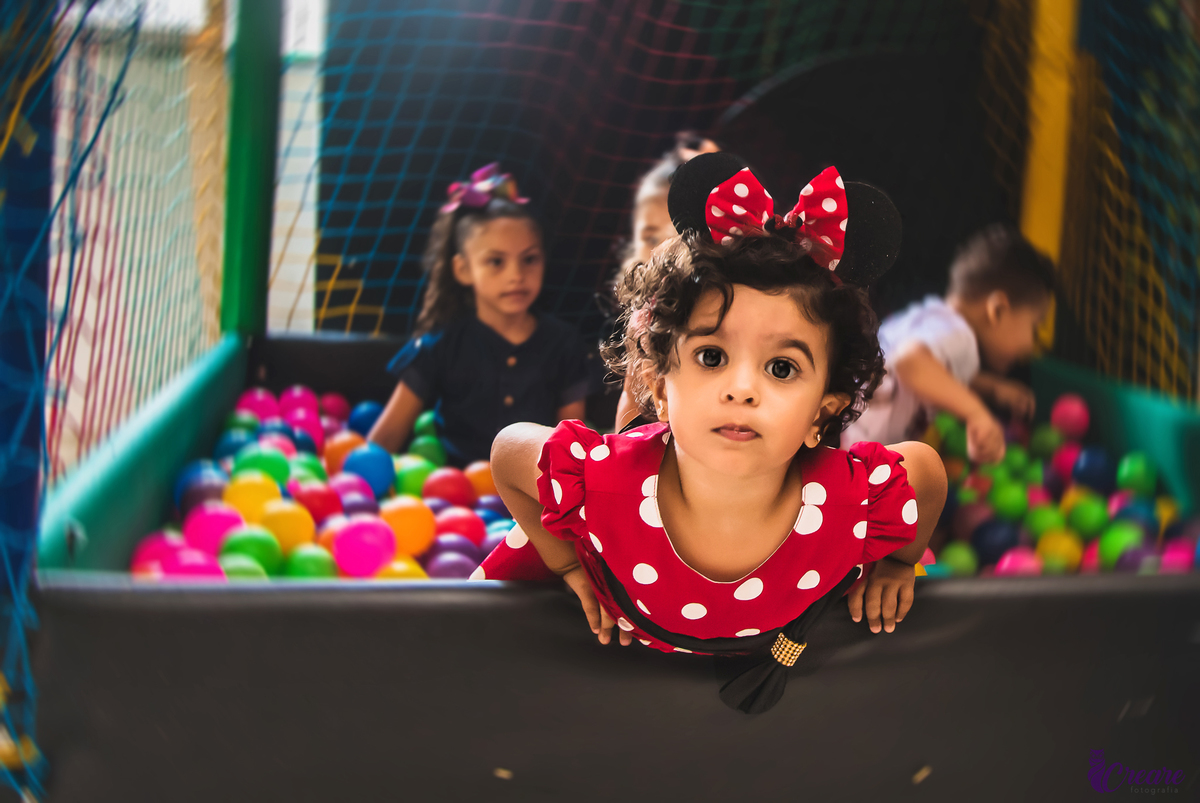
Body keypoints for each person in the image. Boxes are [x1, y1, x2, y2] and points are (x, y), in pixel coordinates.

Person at [478, 153, 947, 714]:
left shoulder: (847, 501)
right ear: (658, 385)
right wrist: (569, 566)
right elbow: (508, 451)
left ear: (824, 412)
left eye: (781, 368)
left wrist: (899, 563)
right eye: (711, 355)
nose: (742, 389)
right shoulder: (605, 483)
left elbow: (925, 470)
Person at [368, 164, 592, 466]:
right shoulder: (439, 346)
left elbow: (573, 449)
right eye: (496, 261)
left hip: (534, 499)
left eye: (529, 259)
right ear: (463, 269)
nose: (516, 275)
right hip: (452, 497)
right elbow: (384, 440)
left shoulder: (563, 344)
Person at [843, 223, 1055, 464]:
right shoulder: (959, 336)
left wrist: (993, 388)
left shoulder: (932, 317)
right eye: (1035, 327)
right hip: (851, 454)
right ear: (998, 310)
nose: (1032, 346)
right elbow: (909, 361)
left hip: (841, 433)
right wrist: (977, 413)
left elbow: (936, 369)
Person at [590, 132, 720, 432]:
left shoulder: (735, 303)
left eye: (679, 236)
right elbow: (630, 407)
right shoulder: (644, 321)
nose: (661, 250)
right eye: (649, 237)